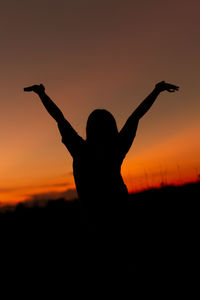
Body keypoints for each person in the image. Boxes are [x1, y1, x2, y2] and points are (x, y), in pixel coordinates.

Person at [24, 81, 179, 228]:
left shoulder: (80, 149)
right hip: (119, 215)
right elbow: (135, 116)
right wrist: (156, 91)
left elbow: (59, 117)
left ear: (89, 128)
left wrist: (42, 94)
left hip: (93, 220)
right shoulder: (116, 148)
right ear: (112, 127)